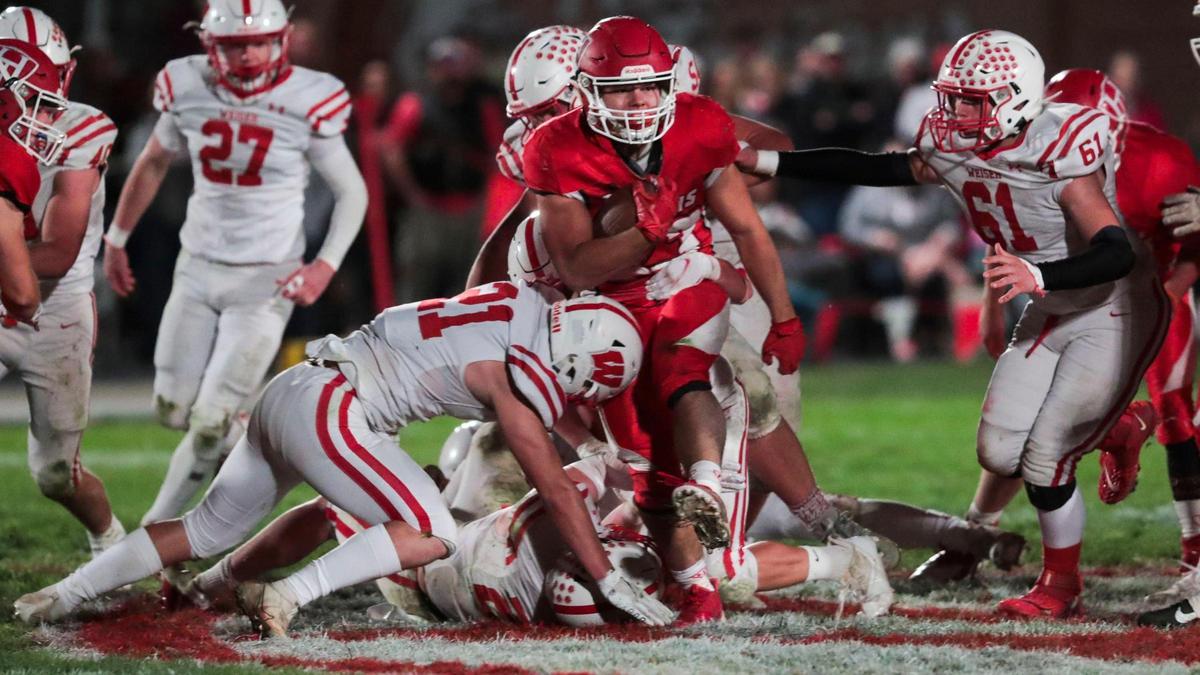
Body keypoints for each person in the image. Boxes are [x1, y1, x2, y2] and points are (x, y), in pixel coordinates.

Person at [739, 29, 1166, 618]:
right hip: (1048, 304)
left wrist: (1036, 278)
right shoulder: (957, 144)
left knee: (1046, 457)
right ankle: (1117, 427)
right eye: (954, 97)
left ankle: (1060, 586)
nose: (956, 112)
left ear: (1017, 98)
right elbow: (877, 169)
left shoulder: (1057, 146)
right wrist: (767, 161)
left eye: (973, 100)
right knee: (997, 452)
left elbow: (1114, 249)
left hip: (1111, 303)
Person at [15, 281, 675, 634]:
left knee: (203, 531)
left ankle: (62, 595)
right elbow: (553, 486)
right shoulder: (527, 375)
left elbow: (522, 382)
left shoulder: (522, 305)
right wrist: (605, 574)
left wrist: (590, 445)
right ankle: (287, 595)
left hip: (298, 385)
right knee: (433, 532)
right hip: (333, 406)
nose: (578, 397)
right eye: (585, 385)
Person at [524, 16, 805, 622]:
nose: (639, 101)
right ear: (584, 92)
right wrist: (640, 230)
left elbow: (747, 226)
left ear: (670, 82)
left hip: (688, 273)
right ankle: (696, 586)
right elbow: (575, 267)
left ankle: (706, 484)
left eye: (651, 85)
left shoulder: (699, 122)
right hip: (608, 304)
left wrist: (783, 316)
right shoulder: (552, 145)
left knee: (684, 372)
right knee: (646, 468)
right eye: (622, 89)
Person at [101, 0, 368, 525]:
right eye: (234, 44)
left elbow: (351, 192)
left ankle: (155, 532)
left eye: (259, 41)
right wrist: (116, 239)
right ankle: (253, 435)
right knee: (170, 410)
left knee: (205, 424)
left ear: (282, 39)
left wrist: (325, 265)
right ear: (208, 45)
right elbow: (153, 161)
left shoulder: (308, 97)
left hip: (266, 279)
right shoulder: (186, 84)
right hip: (198, 265)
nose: (248, 54)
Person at [0, 8, 125, 557]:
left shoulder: (83, 128)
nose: (36, 111)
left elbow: (55, 253)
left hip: (57, 311)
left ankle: (109, 541)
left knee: (55, 473)